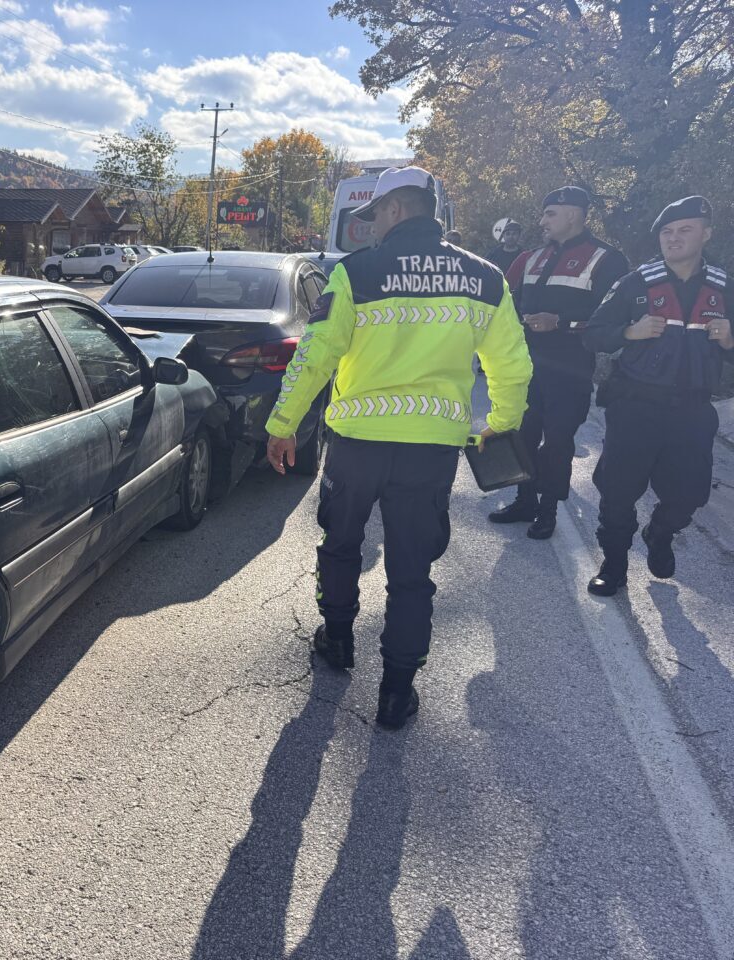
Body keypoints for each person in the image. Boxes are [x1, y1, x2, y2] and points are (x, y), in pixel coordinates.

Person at [265, 166, 532, 729]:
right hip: (429, 451)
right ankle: (396, 693)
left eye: (373, 216)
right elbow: (511, 364)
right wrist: (500, 426)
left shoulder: (355, 273)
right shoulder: (484, 278)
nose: (370, 227)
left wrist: (283, 424)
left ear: (392, 210)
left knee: (340, 545)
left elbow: (315, 357)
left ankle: (337, 640)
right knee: (412, 572)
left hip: (357, 445)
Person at [581, 196, 732, 596]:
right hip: (635, 407)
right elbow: (593, 333)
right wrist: (629, 332)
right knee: (617, 492)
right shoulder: (636, 283)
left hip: (693, 410)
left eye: (684, 230)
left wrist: (731, 340)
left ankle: (659, 532)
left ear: (706, 234)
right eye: (667, 232)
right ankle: (613, 566)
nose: (674, 238)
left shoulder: (724, 287)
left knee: (690, 495)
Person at [490, 187, 630, 538]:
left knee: (557, 441)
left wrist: (562, 322)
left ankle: (547, 509)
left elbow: (612, 319)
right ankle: (524, 500)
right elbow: (505, 300)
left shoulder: (607, 258)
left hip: (570, 369)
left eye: (549, 213)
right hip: (526, 365)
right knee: (522, 435)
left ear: (573, 214)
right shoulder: (530, 257)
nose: (542, 221)